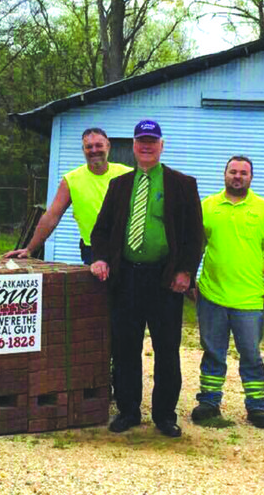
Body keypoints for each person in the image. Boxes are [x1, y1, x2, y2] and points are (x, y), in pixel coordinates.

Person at [90, 120, 203, 437]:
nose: (146, 146)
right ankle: (128, 411)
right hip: (126, 277)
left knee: (167, 349)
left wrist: (185, 271)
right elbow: (101, 230)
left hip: (165, 279)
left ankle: (165, 415)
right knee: (125, 348)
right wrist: (100, 258)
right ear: (134, 146)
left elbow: (194, 235)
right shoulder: (120, 185)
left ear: (161, 145)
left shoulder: (182, 184)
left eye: (152, 141)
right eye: (141, 141)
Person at [190, 156, 264, 429]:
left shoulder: (263, 209)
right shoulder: (208, 206)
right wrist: (190, 279)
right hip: (212, 295)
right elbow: (196, 245)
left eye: (243, 173)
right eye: (233, 171)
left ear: (251, 177)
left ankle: (257, 406)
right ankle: (209, 402)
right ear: (224, 174)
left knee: (251, 354)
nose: (238, 176)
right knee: (213, 351)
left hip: (249, 299)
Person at [5, 128, 131, 264]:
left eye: (99, 145)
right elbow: (51, 217)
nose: (94, 150)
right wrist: (30, 249)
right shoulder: (71, 180)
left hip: (126, 248)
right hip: (93, 251)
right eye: (89, 147)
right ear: (83, 150)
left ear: (108, 146)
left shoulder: (128, 174)